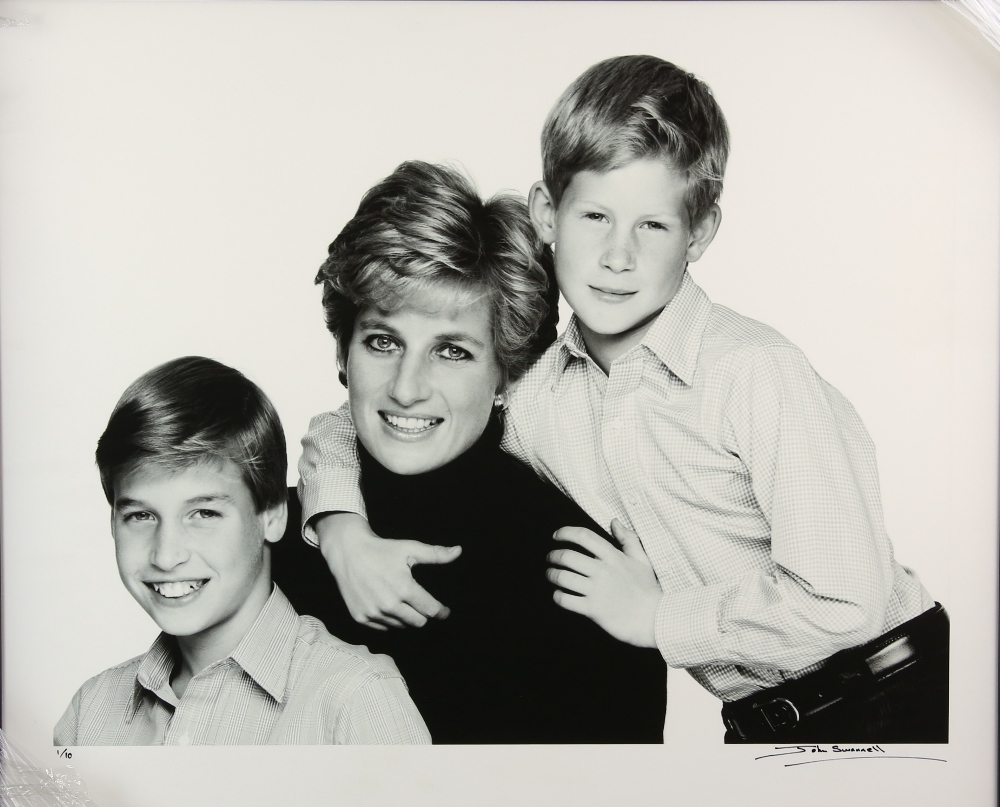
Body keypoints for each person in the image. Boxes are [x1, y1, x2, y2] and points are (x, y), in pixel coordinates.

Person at [296, 56, 949, 744]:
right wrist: (341, 527)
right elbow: (384, 413)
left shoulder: (755, 371)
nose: (617, 257)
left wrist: (657, 617)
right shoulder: (539, 394)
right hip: (762, 725)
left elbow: (846, 601)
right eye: (596, 217)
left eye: (653, 227)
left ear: (699, 232)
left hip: (892, 688)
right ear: (548, 213)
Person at [273, 160, 666, 744]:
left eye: (452, 351)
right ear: (343, 353)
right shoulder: (268, 540)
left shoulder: (583, 571)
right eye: (383, 342)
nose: (407, 388)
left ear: (508, 371)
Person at [54, 356, 430, 746]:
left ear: (271, 515)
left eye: (203, 513)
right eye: (141, 516)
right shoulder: (91, 712)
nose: (165, 557)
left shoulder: (355, 700)